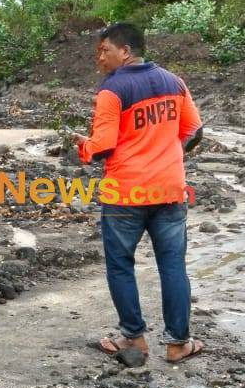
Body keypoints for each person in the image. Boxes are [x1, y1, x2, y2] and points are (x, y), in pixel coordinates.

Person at [70, 23, 205, 364]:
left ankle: (134, 340)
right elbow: (194, 130)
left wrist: (82, 147)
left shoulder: (112, 91)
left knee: (120, 266)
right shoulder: (174, 82)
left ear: (125, 51)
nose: (98, 57)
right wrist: (167, 155)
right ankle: (178, 344)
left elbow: (102, 147)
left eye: (105, 50)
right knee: (173, 266)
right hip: (170, 189)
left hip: (125, 193)